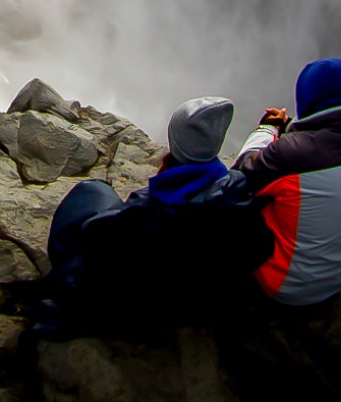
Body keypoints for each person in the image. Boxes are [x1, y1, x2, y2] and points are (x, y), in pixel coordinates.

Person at [36, 97, 272, 337]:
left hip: (145, 308)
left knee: (92, 191)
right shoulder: (238, 196)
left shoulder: (145, 212)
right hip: (199, 302)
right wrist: (267, 130)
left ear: (175, 144)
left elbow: (96, 246)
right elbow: (259, 250)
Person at [232, 58, 341, 307]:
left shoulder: (288, 155)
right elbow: (322, 146)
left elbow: (238, 179)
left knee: (230, 209)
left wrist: (268, 129)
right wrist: (291, 130)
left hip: (288, 284)